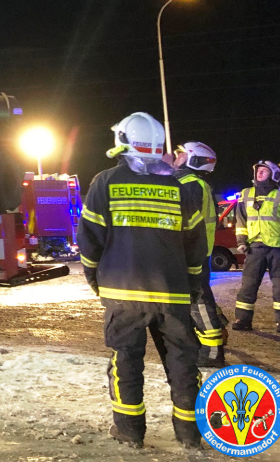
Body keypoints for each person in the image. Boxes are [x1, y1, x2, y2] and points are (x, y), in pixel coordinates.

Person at [78, 112, 206, 450]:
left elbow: (90, 240)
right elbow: (196, 247)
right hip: (173, 294)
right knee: (183, 363)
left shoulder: (105, 182)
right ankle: (189, 433)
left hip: (122, 293)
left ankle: (129, 431)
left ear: (122, 142)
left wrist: (95, 279)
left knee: (126, 361)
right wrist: (192, 286)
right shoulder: (179, 189)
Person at [173, 141, 228, 366]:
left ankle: (213, 353)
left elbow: (183, 223)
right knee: (197, 299)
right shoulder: (190, 183)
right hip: (193, 253)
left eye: (181, 155)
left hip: (191, 255)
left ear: (194, 160)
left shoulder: (191, 185)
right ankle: (218, 327)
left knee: (199, 302)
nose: (176, 159)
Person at [231, 161, 280, 334]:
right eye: (258, 170)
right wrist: (241, 242)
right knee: (248, 285)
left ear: (273, 175)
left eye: (264, 171)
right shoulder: (245, 194)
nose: (259, 173)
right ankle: (242, 320)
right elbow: (240, 221)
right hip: (254, 248)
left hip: (278, 249)